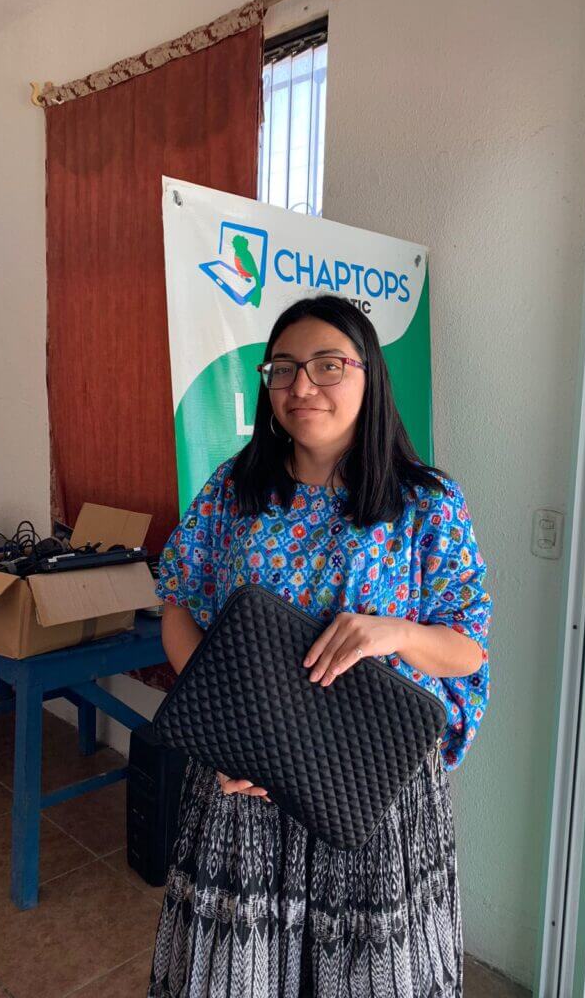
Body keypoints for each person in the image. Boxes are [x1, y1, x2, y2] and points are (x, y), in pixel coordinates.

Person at [147, 293, 493, 998]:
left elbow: (468, 650)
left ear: (369, 377)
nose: (302, 386)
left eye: (327, 364)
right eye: (283, 368)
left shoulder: (427, 502)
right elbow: (177, 604)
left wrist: (392, 632)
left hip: (370, 787)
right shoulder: (234, 493)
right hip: (246, 784)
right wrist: (227, 738)